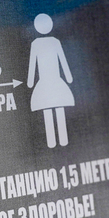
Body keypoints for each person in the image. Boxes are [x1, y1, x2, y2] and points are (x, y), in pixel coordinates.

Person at [27, 13, 74, 148]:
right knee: (53, 109)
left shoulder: (48, 42)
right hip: (49, 82)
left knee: (53, 109)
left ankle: (58, 141)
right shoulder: (45, 43)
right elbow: (33, 64)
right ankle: (56, 141)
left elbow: (62, 61)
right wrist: (68, 77)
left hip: (51, 82)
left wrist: (30, 82)